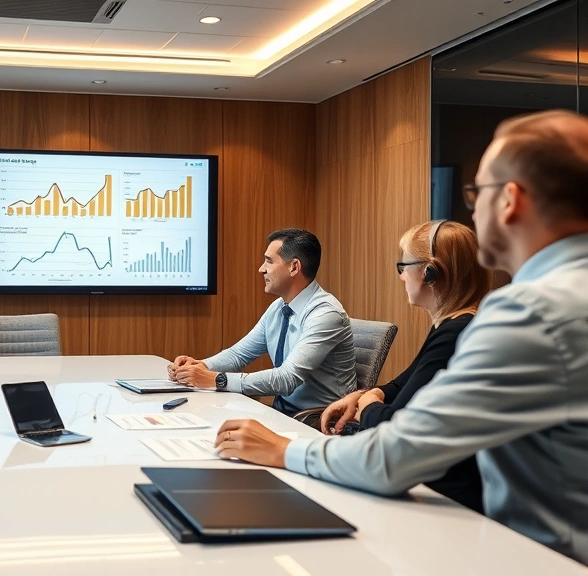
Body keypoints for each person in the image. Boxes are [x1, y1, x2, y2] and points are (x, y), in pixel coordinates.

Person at [211, 110, 588, 565]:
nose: (472, 210)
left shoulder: (529, 312)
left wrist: (281, 449)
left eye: (476, 193)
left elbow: (393, 459)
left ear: (510, 200)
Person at [321, 220, 491, 512]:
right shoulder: (454, 325)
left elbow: (393, 425)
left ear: (430, 272)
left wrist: (368, 406)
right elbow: (405, 383)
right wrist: (366, 394)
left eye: (404, 266)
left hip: (447, 503)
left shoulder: (455, 333)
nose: (401, 277)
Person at [168, 228, 357, 415]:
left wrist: (216, 379)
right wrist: (200, 366)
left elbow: (287, 379)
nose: (262, 269)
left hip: (319, 420)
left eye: (269, 261)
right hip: (283, 413)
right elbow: (238, 354)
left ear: (294, 267)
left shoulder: (325, 314)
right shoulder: (278, 307)